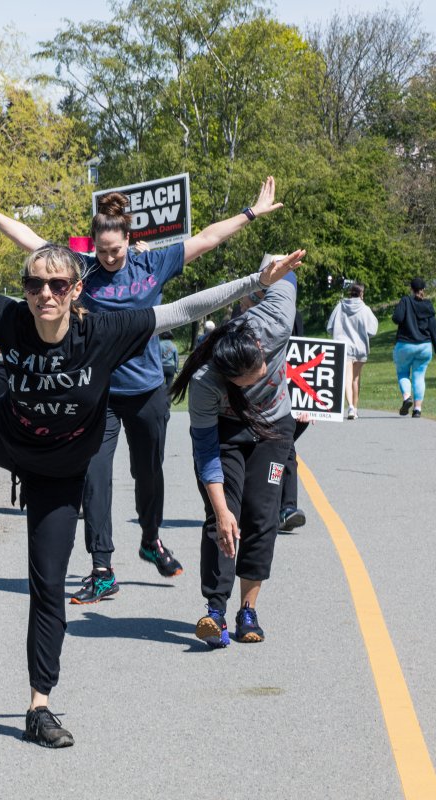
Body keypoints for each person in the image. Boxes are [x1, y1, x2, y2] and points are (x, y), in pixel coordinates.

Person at [0, 192, 302, 748]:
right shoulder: (9, 317)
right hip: (5, 436)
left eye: (58, 285)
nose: (46, 294)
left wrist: (257, 281)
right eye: (36, 285)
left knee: (47, 585)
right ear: (26, 290)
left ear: (76, 289)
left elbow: (185, 309)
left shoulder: (104, 332)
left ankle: (39, 706)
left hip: (58, 474)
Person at [0, 177, 285, 604]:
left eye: (117, 250)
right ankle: (102, 566)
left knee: (148, 474)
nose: (109, 258)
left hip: (148, 389)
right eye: (103, 250)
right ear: (92, 245)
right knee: (95, 475)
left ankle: (150, 538)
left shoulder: (152, 265)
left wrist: (250, 213)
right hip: (99, 393)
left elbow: (206, 239)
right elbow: (32, 241)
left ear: (130, 239)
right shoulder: (83, 269)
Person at [170, 255, 303, 650]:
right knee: (221, 518)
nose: (263, 371)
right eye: (252, 376)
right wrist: (224, 509)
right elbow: (206, 450)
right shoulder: (205, 383)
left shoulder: (275, 322)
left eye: (262, 363)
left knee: (262, 516)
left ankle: (248, 610)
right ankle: (214, 610)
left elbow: (281, 273)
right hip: (225, 434)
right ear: (229, 376)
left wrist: (270, 270)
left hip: (274, 429)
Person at [238, 282, 309, 534]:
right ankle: (262, 506)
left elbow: (303, 357)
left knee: (285, 447)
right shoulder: (240, 320)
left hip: (284, 398)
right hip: (248, 399)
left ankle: (287, 508)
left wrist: (305, 403)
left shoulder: (291, 316)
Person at [391, 277, 436, 418]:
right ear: (423, 290)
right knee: (419, 376)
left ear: (411, 289)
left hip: (405, 345)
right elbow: (434, 329)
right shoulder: (428, 305)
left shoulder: (405, 301)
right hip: (424, 347)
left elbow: (396, 318)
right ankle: (417, 409)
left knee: (403, 373)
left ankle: (407, 397)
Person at [327, 282, 379, 420]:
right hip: (361, 348)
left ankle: (350, 406)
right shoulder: (365, 309)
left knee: (347, 378)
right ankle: (355, 409)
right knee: (355, 379)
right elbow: (373, 330)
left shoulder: (340, 306)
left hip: (344, 347)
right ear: (361, 294)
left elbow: (330, 327)